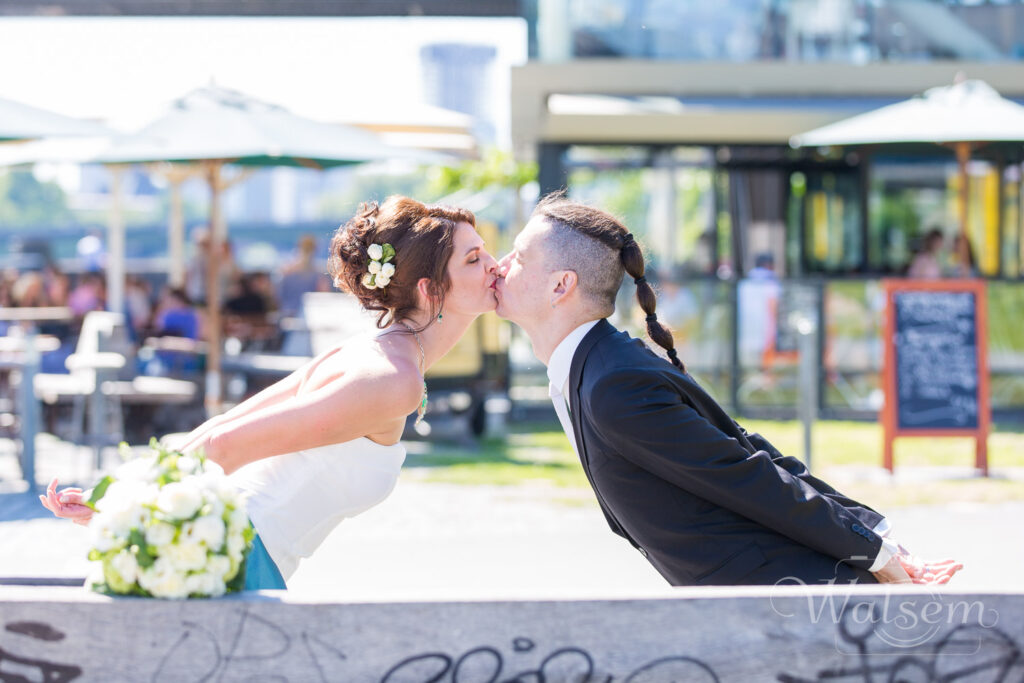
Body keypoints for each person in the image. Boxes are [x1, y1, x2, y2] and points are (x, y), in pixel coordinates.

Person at [493, 193, 961, 587]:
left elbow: (747, 472)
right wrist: (872, 535)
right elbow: (743, 448)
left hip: (789, 602)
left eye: (519, 255)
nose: (502, 264)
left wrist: (875, 551)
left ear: (561, 285)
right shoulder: (601, 365)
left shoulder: (614, 382)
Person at [40, 196, 500, 589]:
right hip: (238, 557)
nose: (493, 265)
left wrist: (119, 488)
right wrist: (121, 503)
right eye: (474, 259)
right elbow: (225, 441)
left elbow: (224, 424)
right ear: (430, 289)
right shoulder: (391, 378)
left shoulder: (372, 353)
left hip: (233, 545)